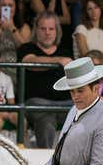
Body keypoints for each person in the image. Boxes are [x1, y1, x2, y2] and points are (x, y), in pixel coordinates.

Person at [17, 12, 72, 148]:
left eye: (51, 29)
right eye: (43, 29)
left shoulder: (66, 52)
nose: (47, 33)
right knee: (47, 118)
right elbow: (30, 61)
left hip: (65, 103)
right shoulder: (27, 48)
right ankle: (46, 163)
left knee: (87, 111)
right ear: (36, 30)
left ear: (57, 31)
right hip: (37, 103)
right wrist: (58, 60)